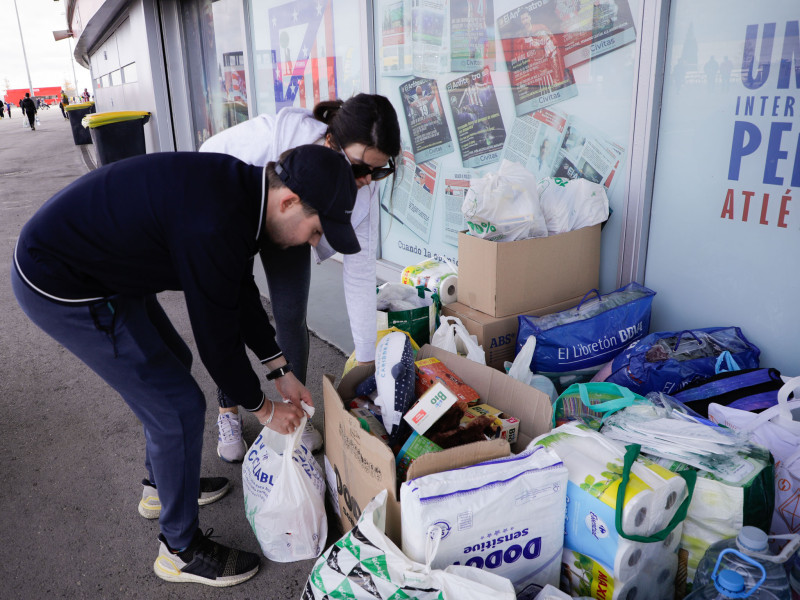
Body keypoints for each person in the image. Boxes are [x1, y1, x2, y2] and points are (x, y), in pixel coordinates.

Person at [11, 144, 359, 587]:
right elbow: (217, 338)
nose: (312, 245)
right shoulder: (214, 223)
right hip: (62, 281)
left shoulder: (243, 196)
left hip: (106, 267)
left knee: (174, 362)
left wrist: (280, 371)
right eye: (314, 232)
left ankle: (161, 489)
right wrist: (266, 411)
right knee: (177, 407)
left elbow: (237, 292)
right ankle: (179, 550)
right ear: (288, 201)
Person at [199, 94, 401, 462]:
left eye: (379, 171)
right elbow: (209, 157)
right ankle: (229, 408)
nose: (367, 180)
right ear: (330, 143)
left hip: (292, 222)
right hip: (235, 213)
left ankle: (295, 412)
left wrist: (367, 363)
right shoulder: (270, 139)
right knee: (228, 309)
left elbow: (359, 271)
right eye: (360, 169)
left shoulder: (365, 186)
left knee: (291, 314)